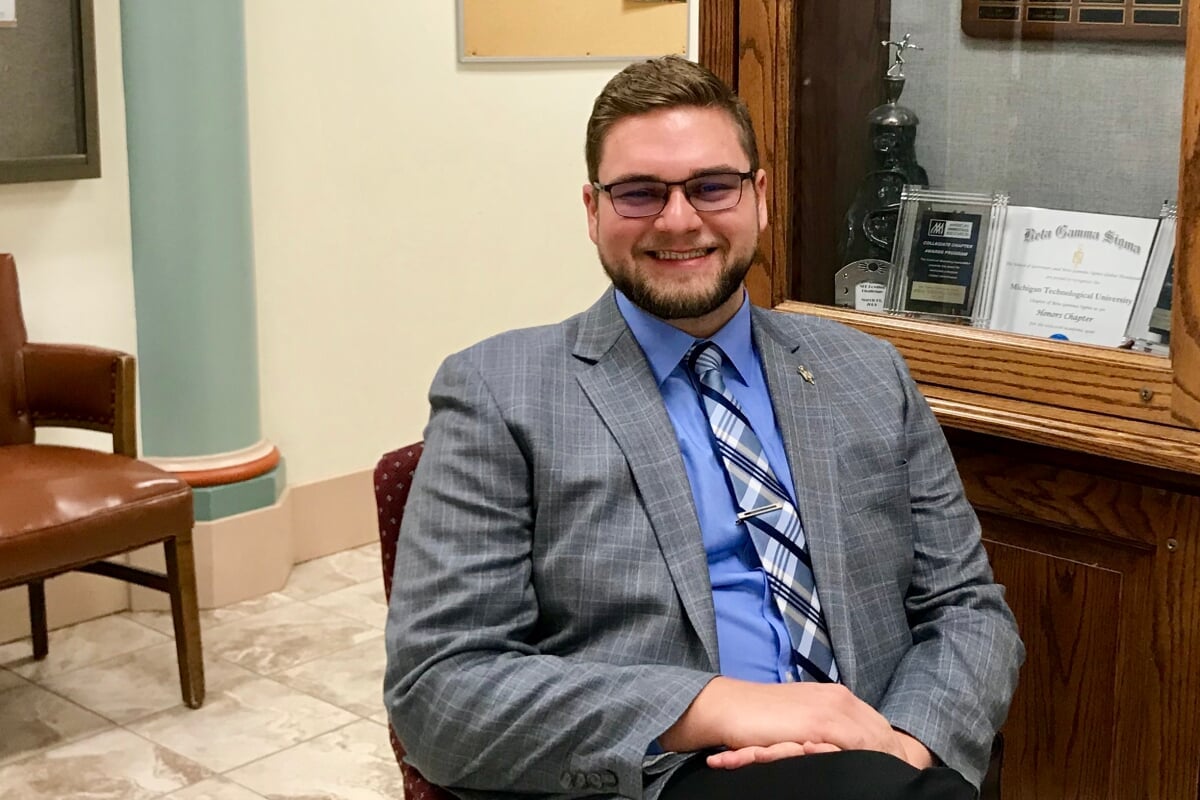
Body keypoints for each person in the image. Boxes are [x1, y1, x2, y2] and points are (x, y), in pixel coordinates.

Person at [384, 55, 1023, 800]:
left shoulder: (869, 372)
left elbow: (968, 608)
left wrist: (907, 747)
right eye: (639, 193)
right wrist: (715, 706)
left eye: (711, 186)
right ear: (592, 210)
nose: (679, 219)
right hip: (665, 776)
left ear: (759, 197)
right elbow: (440, 692)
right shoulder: (500, 391)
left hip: (885, 762)